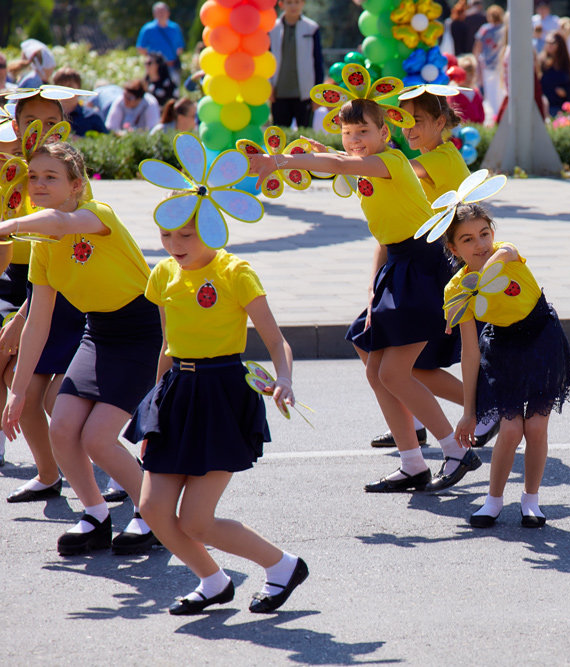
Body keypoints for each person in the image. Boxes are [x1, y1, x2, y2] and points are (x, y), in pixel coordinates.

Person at [247, 95, 482, 493]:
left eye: (363, 131)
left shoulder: (390, 162)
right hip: (399, 264)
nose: (355, 139)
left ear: (385, 133)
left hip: (424, 266)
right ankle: (412, 463)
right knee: (373, 365)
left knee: (393, 372)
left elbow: (342, 165)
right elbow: (343, 163)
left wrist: (280, 161)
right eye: (348, 132)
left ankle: (456, 450)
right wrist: (327, 152)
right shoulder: (367, 164)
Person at [124, 210, 307, 615]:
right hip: (176, 393)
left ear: (210, 229)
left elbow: (277, 342)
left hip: (223, 394)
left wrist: (285, 379)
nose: (174, 244)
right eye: (166, 234)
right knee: (153, 508)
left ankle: (283, 566)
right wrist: (154, 406)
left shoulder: (235, 272)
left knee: (196, 521)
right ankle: (213, 580)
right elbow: (167, 346)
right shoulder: (162, 274)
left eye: (185, 234)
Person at [0, 142, 161, 555]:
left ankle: (153, 513)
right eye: (33, 176)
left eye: (51, 177)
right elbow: (38, 321)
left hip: (142, 330)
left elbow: (56, 220)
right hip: (100, 333)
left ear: (77, 185)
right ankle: (94, 515)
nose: (38, 184)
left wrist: (4, 227)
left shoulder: (97, 215)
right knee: (63, 428)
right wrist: (17, 392)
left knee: (98, 438)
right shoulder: (42, 246)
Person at [362, 89, 492, 449]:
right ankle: (418, 423)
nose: (409, 130)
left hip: (442, 272)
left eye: (416, 121)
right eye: (402, 121)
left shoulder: (443, 159)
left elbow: (387, 168)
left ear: (440, 122)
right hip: (416, 269)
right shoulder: (418, 164)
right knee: (391, 354)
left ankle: (482, 406)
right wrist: (374, 283)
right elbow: (391, 231)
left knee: (409, 366)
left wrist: (347, 154)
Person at [444, 204, 570, 528]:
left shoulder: (507, 252)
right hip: (503, 348)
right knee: (510, 430)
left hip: (542, 341)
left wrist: (478, 279)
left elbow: (499, 257)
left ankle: (530, 500)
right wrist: (468, 411)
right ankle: (493, 501)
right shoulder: (455, 290)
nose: (480, 244)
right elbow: (470, 350)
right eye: (467, 239)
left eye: (484, 233)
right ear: (453, 248)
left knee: (535, 428)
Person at [0, 95, 86, 503]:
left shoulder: (66, 174)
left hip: (73, 296)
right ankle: (48, 473)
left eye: (51, 120)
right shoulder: (13, 172)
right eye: (31, 120)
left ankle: (108, 470)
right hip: (30, 283)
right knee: (23, 388)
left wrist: (21, 318)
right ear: (16, 126)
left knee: (60, 398)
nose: (41, 127)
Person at [269, 0, 324, 129]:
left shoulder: (312, 28)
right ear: (281, 4)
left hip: (305, 94)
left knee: (305, 138)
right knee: (279, 137)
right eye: (289, 2)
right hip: (278, 93)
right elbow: (267, 59)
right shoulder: (272, 28)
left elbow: (318, 61)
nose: (293, 6)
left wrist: (318, 93)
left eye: (297, 2)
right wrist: (268, 86)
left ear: (303, 3)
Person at [50, 68, 108, 137]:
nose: (65, 91)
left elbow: (105, 140)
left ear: (78, 88)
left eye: (69, 86)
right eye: (61, 86)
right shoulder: (48, 116)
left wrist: (83, 140)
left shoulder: (92, 117)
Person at [136, 1, 185, 78]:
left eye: (163, 11)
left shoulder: (175, 28)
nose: (161, 14)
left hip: (172, 67)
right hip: (155, 68)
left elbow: (180, 47)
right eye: (158, 12)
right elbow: (140, 48)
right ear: (154, 14)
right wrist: (152, 58)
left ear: (168, 13)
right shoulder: (148, 29)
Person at [474, 5, 506, 118]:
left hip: (488, 66)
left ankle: (494, 116)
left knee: (490, 93)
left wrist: (476, 63)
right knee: (501, 91)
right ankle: (501, 115)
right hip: (502, 64)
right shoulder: (504, 28)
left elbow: (477, 48)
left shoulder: (485, 29)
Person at [541, 32, 570, 117]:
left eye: (552, 43)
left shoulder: (565, 63)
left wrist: (565, 92)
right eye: (547, 42)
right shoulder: (541, 62)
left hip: (561, 106)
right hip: (546, 104)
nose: (549, 45)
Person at [452, 55, 486, 124]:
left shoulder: (475, 93)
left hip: (476, 128)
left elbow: (481, 112)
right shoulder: (454, 93)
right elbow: (454, 114)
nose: (468, 78)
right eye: (464, 74)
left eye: (471, 74)